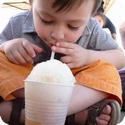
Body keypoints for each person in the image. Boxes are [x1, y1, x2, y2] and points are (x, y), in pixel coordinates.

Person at [0, 0, 124, 125]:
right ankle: (74, 114)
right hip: (25, 86)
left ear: (90, 16)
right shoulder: (18, 22)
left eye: (73, 26)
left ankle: (30, 113)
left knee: (108, 70)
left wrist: (87, 56)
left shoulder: (92, 29)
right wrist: (7, 46)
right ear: (31, 4)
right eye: (46, 20)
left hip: (74, 87)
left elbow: (120, 57)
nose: (58, 35)